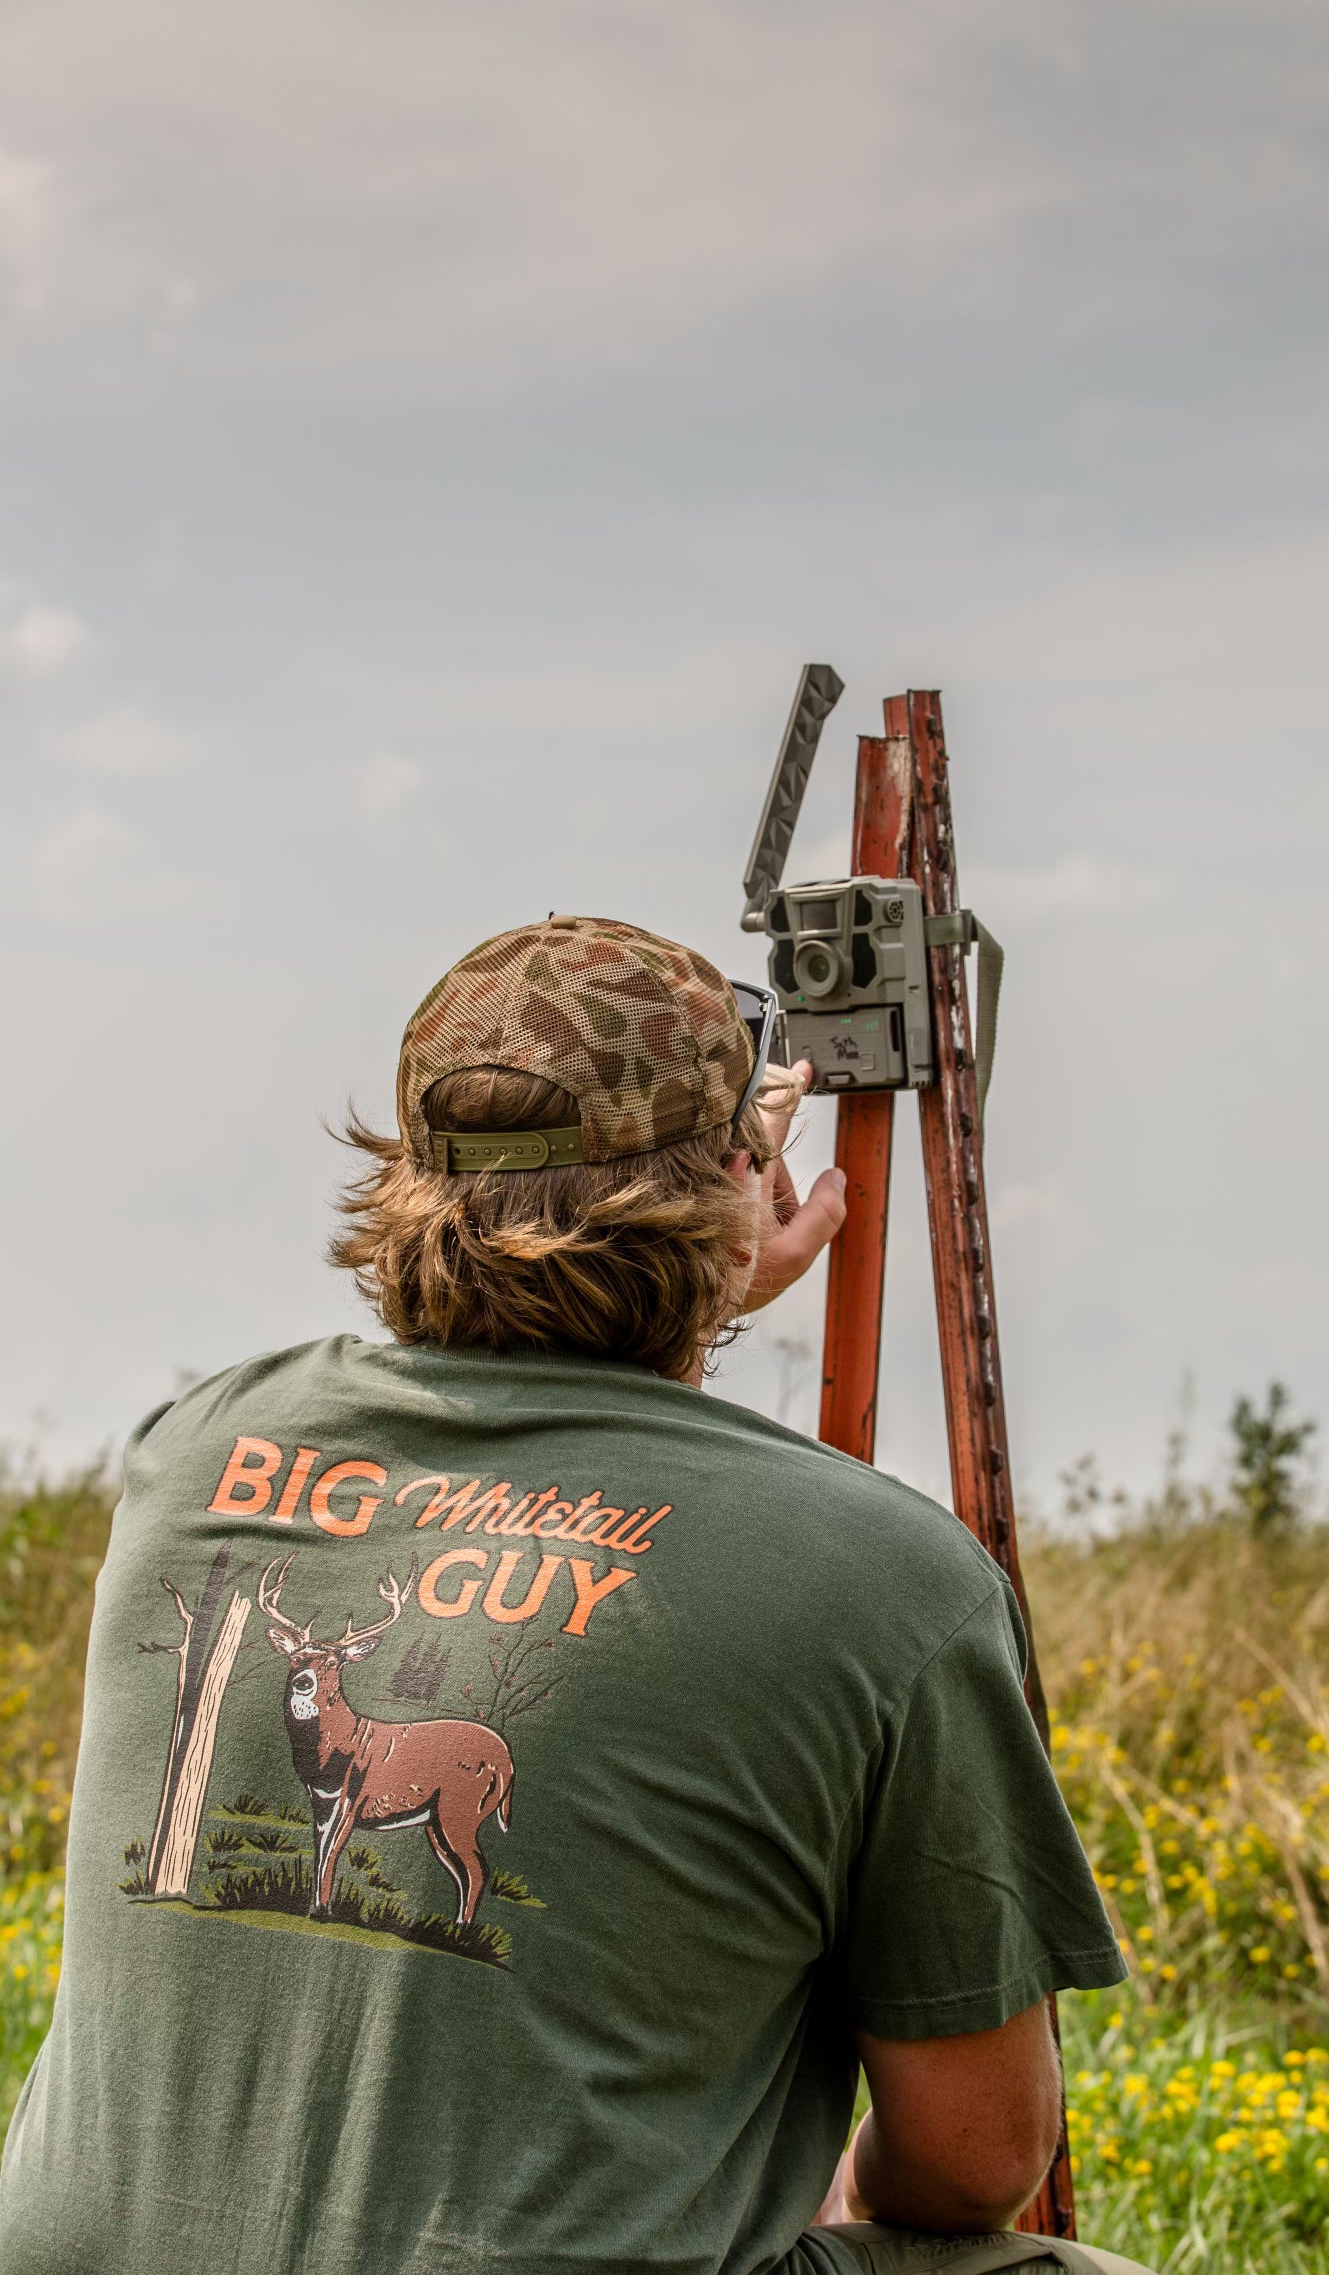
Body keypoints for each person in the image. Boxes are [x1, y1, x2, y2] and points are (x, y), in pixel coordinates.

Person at [0, 916, 1151, 2275]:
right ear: (741, 1173)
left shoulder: (193, 1455)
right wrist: (704, 1293)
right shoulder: (889, 1580)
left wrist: (693, 1289)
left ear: (412, 1176)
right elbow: (976, 2162)